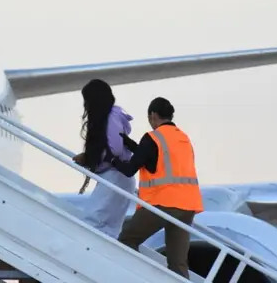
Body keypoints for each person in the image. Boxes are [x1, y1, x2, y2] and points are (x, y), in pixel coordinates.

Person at [106, 97, 203, 279]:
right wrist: (129, 143)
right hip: (187, 207)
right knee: (178, 263)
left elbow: (129, 170)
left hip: (163, 203)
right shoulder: (183, 138)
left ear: (153, 115)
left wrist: (111, 160)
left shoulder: (152, 138)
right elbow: (155, 160)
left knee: (127, 239)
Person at [70, 79, 136, 238]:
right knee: (109, 228)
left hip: (115, 175)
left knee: (92, 222)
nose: (85, 105)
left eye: (87, 100)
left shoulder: (111, 116)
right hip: (120, 176)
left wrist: (90, 157)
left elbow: (115, 149)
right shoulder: (113, 115)